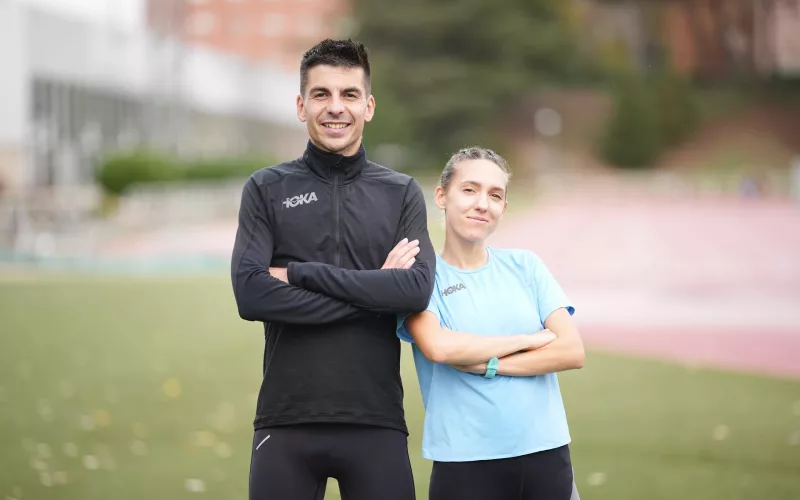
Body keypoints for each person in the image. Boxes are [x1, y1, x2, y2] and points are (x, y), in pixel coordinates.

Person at [231, 39, 435, 500]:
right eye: (321, 94)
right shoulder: (266, 189)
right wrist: (377, 291)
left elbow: (416, 290)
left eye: (348, 94)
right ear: (301, 106)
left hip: (376, 421)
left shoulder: (400, 193)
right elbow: (251, 295)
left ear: (369, 105)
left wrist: (299, 274)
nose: (335, 108)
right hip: (285, 422)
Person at [397, 147, 585, 500]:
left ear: (503, 208)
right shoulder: (423, 279)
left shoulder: (526, 266)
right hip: (465, 461)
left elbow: (571, 350)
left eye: (495, 195)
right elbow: (440, 347)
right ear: (441, 196)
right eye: (469, 190)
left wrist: (486, 364)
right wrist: (529, 340)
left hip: (546, 451)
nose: (482, 204)